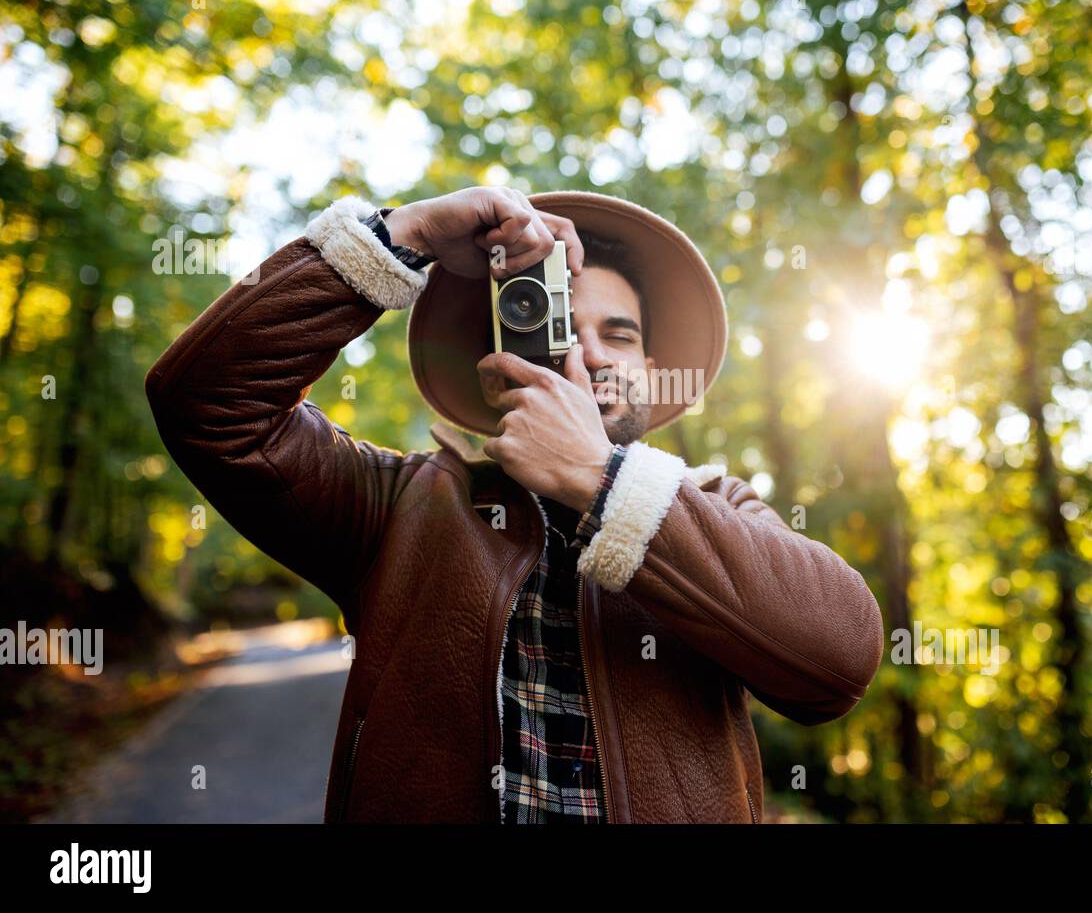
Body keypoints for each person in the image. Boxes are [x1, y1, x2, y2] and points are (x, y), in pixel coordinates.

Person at [146, 185, 884, 823]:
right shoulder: (396, 505)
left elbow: (840, 662)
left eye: (617, 335)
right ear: (493, 362)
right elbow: (205, 404)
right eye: (552, 322)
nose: (588, 354)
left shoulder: (718, 507)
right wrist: (406, 235)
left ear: (651, 371)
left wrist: (603, 479)